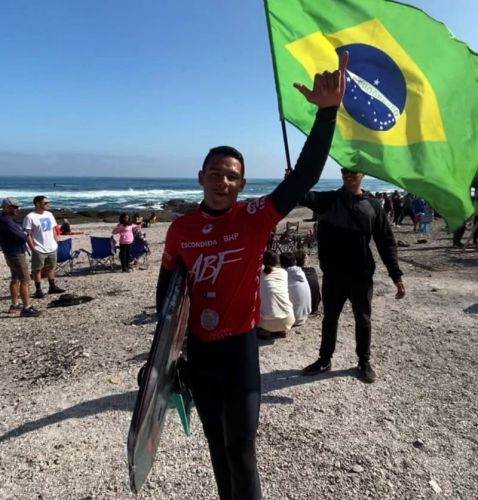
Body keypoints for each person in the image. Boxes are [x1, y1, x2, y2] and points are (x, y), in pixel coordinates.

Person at [154, 53, 348, 499]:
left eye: (233, 177)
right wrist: (163, 356)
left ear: (242, 185)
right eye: (216, 174)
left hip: (240, 349)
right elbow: (167, 295)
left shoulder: (255, 217)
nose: (223, 182)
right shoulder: (180, 230)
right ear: (201, 177)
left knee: (241, 448)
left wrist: (327, 112)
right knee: (216, 448)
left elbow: (304, 176)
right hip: (198, 354)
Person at [300, 168, 405, 383]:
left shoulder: (374, 206)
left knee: (363, 319)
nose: (348, 175)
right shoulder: (329, 200)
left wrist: (396, 276)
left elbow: (386, 243)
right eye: (344, 172)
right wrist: (294, 179)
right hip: (334, 275)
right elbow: (301, 195)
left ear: (363, 175)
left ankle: (363, 362)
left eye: (353, 172)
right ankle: (324, 359)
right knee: (330, 318)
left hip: (361, 274)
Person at [0, 198, 41, 317]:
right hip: (16, 253)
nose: (18, 209)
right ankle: (26, 307)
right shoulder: (6, 221)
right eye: (15, 207)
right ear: (7, 207)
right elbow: (23, 237)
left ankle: (15, 304)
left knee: (16, 278)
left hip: (11, 252)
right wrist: (25, 234)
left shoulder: (6, 220)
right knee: (25, 279)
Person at [23, 195, 65, 298]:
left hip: (51, 247)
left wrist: (55, 242)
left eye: (47, 203)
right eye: (45, 203)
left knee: (51, 267)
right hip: (39, 248)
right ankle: (38, 290)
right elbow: (27, 234)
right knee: (37, 270)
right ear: (38, 204)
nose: (48, 205)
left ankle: (52, 287)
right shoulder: (30, 217)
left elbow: (53, 229)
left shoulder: (49, 214)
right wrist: (33, 249)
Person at [257, 250, 295, 339]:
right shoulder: (283, 272)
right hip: (288, 319)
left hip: (267, 322)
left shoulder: (258, 273)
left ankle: (266, 330)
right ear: (277, 261)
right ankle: (280, 330)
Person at [279, 252, 311, 326]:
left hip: (293, 318)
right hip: (305, 315)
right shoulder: (300, 272)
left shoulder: (284, 275)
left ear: (281, 263)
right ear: (295, 261)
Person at [295, 249, 321, 315]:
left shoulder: (295, 273)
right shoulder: (312, 271)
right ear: (305, 260)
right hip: (314, 306)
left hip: (301, 310)